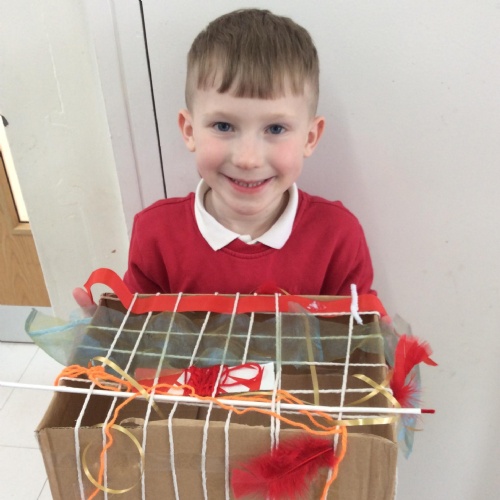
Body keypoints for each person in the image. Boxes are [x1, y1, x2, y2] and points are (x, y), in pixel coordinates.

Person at [75, 8, 374, 310]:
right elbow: (138, 325)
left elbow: (363, 331)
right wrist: (108, 328)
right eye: (223, 126)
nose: (248, 159)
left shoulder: (339, 236)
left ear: (309, 138)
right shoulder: (155, 234)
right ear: (189, 131)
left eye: (275, 128)